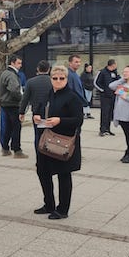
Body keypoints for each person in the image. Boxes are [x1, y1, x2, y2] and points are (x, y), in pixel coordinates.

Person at [33, 65, 84, 220]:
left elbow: (78, 120)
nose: (58, 81)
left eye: (62, 78)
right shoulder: (49, 94)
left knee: (63, 175)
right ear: (51, 79)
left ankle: (62, 209)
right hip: (47, 141)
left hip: (63, 143)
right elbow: (41, 109)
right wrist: (37, 116)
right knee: (42, 171)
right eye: (55, 78)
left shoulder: (72, 97)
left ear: (66, 79)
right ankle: (49, 204)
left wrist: (59, 120)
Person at [0, 55, 28, 158]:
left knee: (8, 127)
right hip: (12, 103)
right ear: (12, 63)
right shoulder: (11, 75)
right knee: (16, 127)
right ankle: (17, 149)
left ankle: (5, 148)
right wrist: (22, 99)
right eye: (19, 63)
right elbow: (14, 89)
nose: (20, 65)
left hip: (5, 103)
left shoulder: (4, 73)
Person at [20, 60, 53, 153]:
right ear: (49, 69)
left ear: (38, 69)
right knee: (51, 134)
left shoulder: (30, 82)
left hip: (37, 112)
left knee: (38, 135)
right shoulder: (52, 81)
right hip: (51, 111)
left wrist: (21, 112)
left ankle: (39, 156)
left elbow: (25, 99)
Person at [94, 59, 119, 136]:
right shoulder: (102, 72)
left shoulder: (115, 72)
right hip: (105, 97)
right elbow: (96, 83)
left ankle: (108, 129)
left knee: (110, 113)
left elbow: (118, 81)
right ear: (112, 65)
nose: (116, 66)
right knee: (104, 113)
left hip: (112, 96)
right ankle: (102, 130)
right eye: (115, 65)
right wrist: (103, 90)